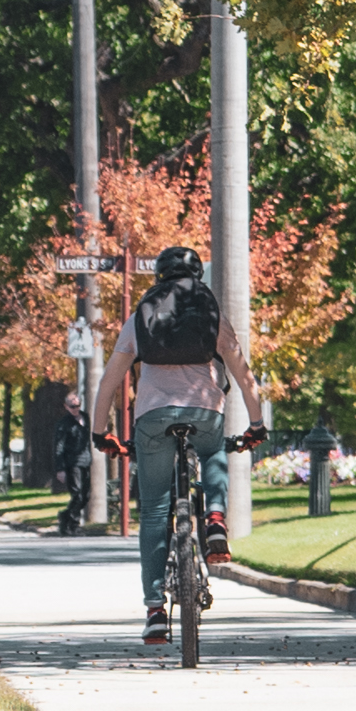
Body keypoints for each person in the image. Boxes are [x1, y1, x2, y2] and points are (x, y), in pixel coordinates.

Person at [95, 245, 264, 647]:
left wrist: (100, 433)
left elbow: (108, 381)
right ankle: (216, 518)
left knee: (154, 509)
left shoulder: (139, 320)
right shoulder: (212, 317)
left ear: (159, 278)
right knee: (212, 452)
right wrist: (257, 425)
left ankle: (155, 610)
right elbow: (244, 377)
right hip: (205, 412)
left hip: (152, 419)